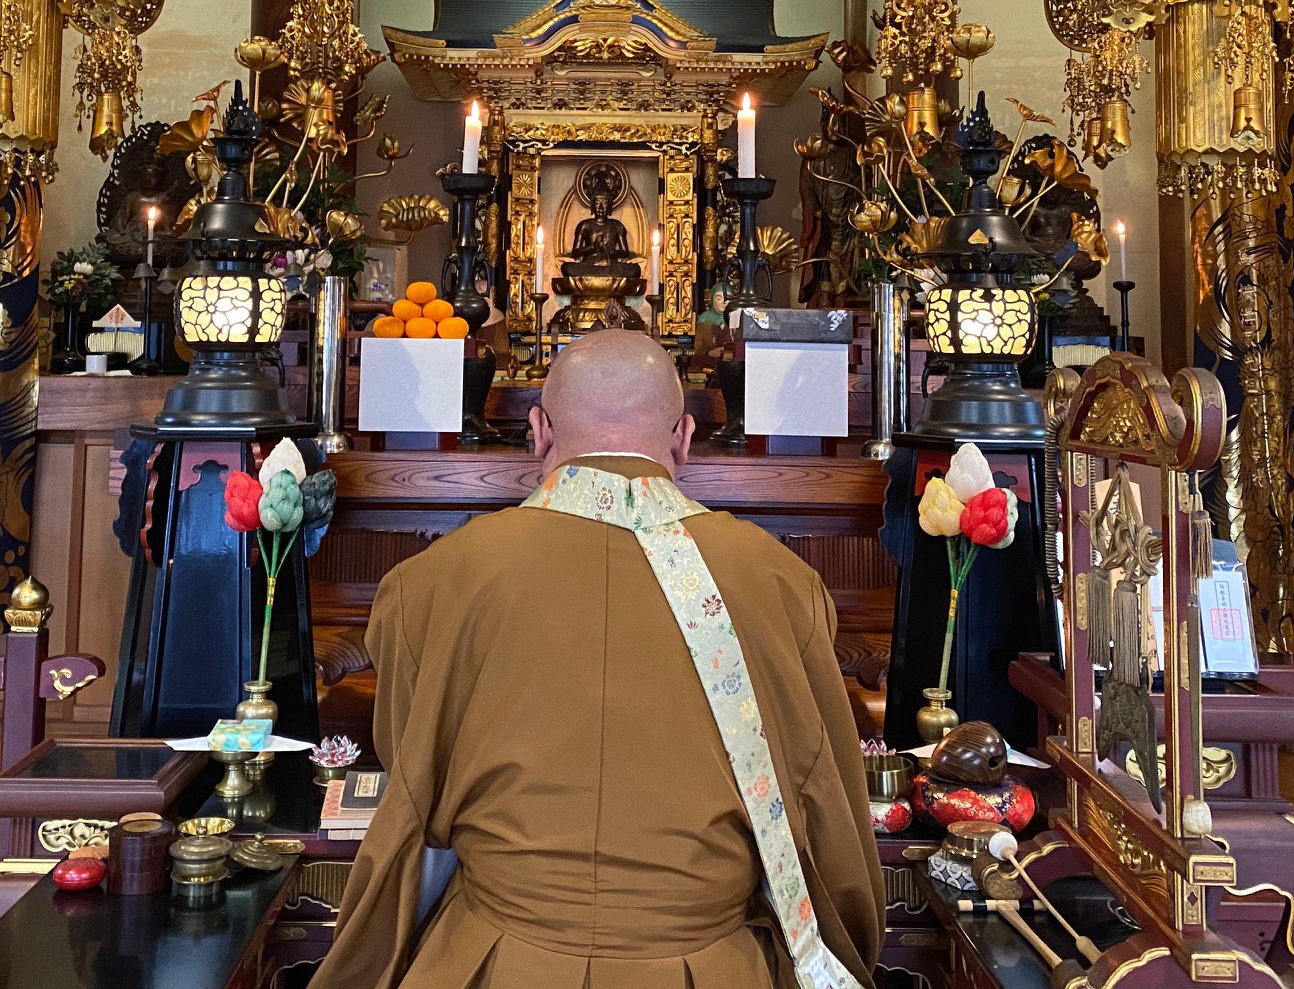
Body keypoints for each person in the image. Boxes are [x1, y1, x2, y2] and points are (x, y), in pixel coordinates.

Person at [312, 330, 882, 989]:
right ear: (685, 437)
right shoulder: (780, 583)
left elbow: (416, 785)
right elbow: (825, 810)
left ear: (538, 431)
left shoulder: (433, 580)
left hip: (491, 961)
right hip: (712, 966)